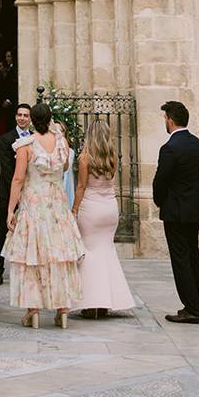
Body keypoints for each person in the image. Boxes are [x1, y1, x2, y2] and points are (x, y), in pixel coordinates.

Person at [3, 103, 84, 330]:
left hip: (33, 205)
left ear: (31, 120)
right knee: (59, 255)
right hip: (57, 205)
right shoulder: (61, 141)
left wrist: (10, 209)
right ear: (50, 119)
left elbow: (18, 179)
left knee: (34, 256)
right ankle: (63, 310)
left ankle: (34, 310)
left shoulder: (25, 146)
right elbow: (66, 166)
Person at [71, 120, 135, 318]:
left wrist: (74, 209)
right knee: (107, 252)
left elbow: (81, 186)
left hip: (91, 209)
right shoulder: (113, 157)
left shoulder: (85, 158)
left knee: (90, 255)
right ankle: (106, 302)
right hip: (109, 208)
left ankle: (91, 304)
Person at [152, 101, 199, 325]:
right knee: (193, 257)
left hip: (175, 211)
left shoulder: (170, 148)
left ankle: (192, 307)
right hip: (194, 209)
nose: (164, 122)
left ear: (171, 120)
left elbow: (160, 181)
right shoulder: (198, 145)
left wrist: (160, 202)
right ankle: (196, 303)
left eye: (165, 118)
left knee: (180, 259)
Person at [0, 103, 32, 286]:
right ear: (15, 117)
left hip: (30, 194)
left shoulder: (35, 139)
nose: (22, 118)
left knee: (29, 233)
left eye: (25, 115)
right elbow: (7, 169)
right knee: (2, 231)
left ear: (30, 119)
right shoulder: (5, 139)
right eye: (19, 115)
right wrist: (18, 189)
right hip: (8, 191)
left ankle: (27, 270)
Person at [56, 121, 76, 209]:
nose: (59, 133)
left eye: (61, 131)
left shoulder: (70, 152)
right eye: (56, 131)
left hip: (65, 187)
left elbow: (67, 173)